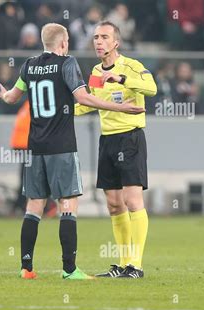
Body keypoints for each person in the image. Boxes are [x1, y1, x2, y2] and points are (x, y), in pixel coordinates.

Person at [0, 23, 144, 280]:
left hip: (35, 147)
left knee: (34, 206)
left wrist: (0, 91)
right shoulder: (67, 64)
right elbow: (84, 98)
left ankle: (27, 268)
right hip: (61, 146)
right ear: (63, 43)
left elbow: (11, 98)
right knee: (68, 205)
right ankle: (69, 269)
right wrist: (118, 107)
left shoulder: (28, 66)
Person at [75, 21, 157, 278]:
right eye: (96, 37)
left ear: (116, 42)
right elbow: (92, 103)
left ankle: (136, 265)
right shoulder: (96, 71)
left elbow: (152, 88)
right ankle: (123, 264)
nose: (98, 41)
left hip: (130, 138)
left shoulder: (131, 65)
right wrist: (65, 111)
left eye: (104, 37)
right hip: (107, 140)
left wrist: (121, 78)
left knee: (132, 201)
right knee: (113, 204)